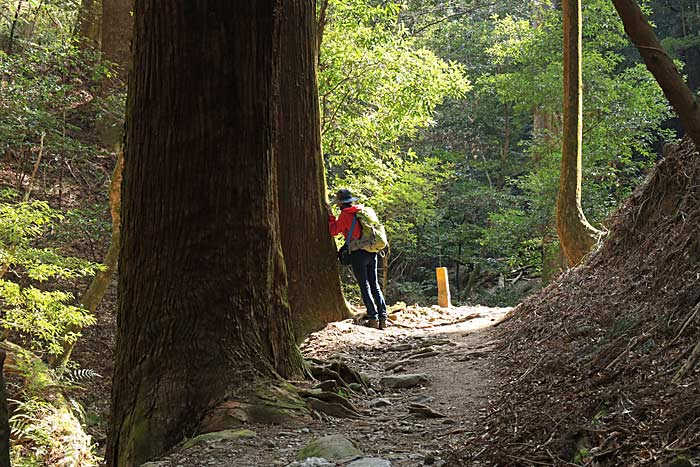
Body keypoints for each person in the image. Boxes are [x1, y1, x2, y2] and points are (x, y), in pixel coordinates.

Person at [327, 189, 388, 330]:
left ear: (341, 204)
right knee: (375, 285)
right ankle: (383, 317)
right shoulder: (363, 211)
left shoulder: (345, 216)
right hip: (372, 251)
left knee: (365, 286)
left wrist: (331, 217)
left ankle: (373, 318)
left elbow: (333, 231)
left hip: (358, 254)